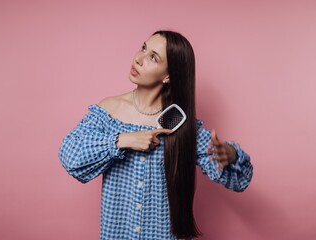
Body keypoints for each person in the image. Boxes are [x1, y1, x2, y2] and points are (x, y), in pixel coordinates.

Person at [58, 30, 253, 240]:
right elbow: (70, 156)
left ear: (168, 75)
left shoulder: (177, 124)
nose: (138, 59)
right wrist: (123, 140)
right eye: (143, 48)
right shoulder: (109, 110)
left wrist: (231, 155)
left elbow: (240, 180)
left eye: (153, 58)